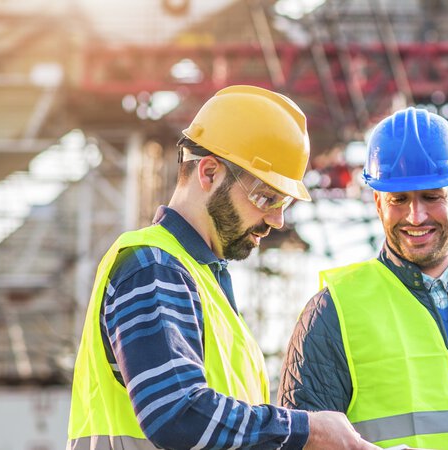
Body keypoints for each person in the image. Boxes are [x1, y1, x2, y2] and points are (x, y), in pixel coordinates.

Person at [66, 85, 376, 449]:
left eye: (284, 203)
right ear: (209, 173)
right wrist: (309, 430)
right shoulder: (153, 268)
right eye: (266, 197)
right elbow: (177, 414)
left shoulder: (203, 284)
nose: (276, 220)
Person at [278, 107, 448, 449]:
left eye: (431, 197)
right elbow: (305, 437)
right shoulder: (334, 310)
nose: (415, 216)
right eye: (399, 200)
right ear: (378, 204)